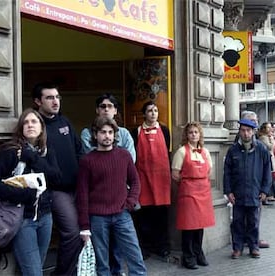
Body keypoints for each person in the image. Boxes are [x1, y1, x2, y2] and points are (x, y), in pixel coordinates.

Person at [0, 109, 61, 276]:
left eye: (34, 122)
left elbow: (56, 178)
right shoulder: (10, 151)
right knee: (33, 273)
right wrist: (25, 195)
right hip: (21, 219)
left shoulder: (47, 152)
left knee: (32, 269)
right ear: (20, 128)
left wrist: (32, 158)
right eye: (26, 122)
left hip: (45, 217)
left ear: (42, 127)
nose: (30, 125)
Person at [77, 117, 147, 276]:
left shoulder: (124, 156)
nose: (107, 136)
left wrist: (130, 202)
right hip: (97, 218)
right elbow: (82, 194)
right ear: (95, 135)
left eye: (110, 132)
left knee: (135, 258)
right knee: (102, 264)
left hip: (122, 215)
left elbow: (135, 181)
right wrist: (84, 226)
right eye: (103, 132)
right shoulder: (87, 161)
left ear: (115, 134)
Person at [32, 81, 84, 275]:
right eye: (50, 98)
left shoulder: (64, 122)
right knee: (71, 231)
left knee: (82, 231)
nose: (55, 101)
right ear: (38, 101)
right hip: (56, 190)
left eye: (57, 97)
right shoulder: (36, 125)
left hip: (77, 187)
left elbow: (78, 150)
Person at [224, 119, 271, 259]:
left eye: (248, 130)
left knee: (253, 222)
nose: (246, 133)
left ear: (253, 132)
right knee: (237, 222)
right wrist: (228, 191)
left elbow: (267, 171)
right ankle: (237, 248)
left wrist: (264, 191)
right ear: (239, 131)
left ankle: (253, 247)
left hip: (255, 193)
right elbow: (227, 173)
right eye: (243, 130)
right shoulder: (233, 150)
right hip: (238, 194)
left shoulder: (261, 149)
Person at [171, 122, 215, 270]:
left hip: (203, 192)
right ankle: (188, 256)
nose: (194, 135)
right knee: (188, 226)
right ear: (186, 135)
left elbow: (209, 171)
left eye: (196, 132)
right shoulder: (182, 152)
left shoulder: (205, 152)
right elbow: (175, 174)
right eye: (191, 132)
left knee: (199, 225)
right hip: (188, 192)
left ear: (200, 134)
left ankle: (198, 253)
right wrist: (189, 183)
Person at [131, 101, 171, 259]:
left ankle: (163, 247)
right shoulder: (136, 132)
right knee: (144, 217)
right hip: (143, 179)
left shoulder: (165, 130)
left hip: (161, 180)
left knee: (161, 216)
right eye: (150, 111)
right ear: (144, 114)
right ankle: (145, 248)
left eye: (155, 110)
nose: (153, 113)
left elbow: (167, 152)